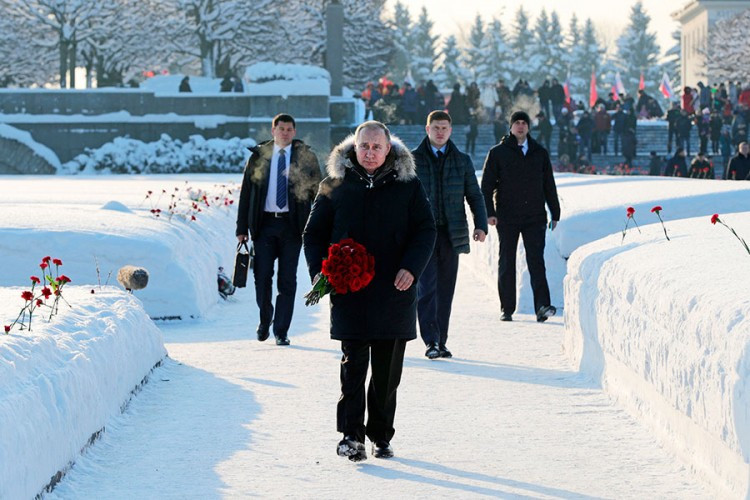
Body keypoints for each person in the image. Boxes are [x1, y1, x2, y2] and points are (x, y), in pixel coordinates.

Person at [303, 121, 436, 462]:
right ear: (354, 147)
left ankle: (380, 433)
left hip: (394, 290)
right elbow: (313, 234)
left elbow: (425, 230)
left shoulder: (408, 185)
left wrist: (411, 267)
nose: (371, 153)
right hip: (351, 292)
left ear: (389, 148)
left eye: (377, 147)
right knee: (353, 367)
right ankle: (351, 435)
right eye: (365, 147)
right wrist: (323, 272)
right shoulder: (335, 185)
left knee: (386, 373)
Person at [236, 114, 322, 346]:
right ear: (273, 130)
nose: (285, 133)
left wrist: (317, 224)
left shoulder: (305, 157)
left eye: (289, 129)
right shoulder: (259, 157)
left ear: (294, 132)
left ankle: (281, 330)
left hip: (292, 227)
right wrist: (241, 228)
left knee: (287, 280)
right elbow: (246, 193)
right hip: (264, 225)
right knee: (261, 277)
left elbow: (318, 193)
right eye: (281, 128)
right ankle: (265, 319)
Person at [412, 110, 487, 359]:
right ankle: (430, 341)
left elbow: (474, 195)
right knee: (427, 287)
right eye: (436, 128)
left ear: (450, 130)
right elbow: (403, 199)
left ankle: (441, 340)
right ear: (427, 129)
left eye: (444, 128)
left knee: (446, 289)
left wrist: (481, 224)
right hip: (423, 234)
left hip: (451, 233)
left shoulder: (462, 160)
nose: (440, 132)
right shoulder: (413, 160)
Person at [480, 110, 560, 323]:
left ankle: (542, 306)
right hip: (507, 216)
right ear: (511, 126)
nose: (521, 126)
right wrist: (490, 213)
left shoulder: (539, 152)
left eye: (524, 123)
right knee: (507, 260)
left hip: (534, 216)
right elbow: (486, 186)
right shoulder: (498, 153)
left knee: (536, 260)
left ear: (529, 127)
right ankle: (507, 307)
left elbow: (548, 185)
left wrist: (555, 212)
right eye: (517, 123)